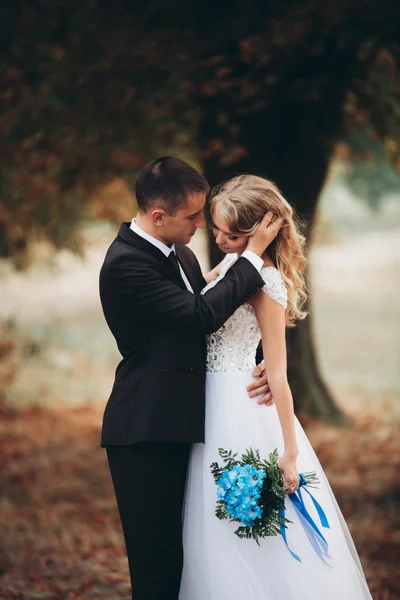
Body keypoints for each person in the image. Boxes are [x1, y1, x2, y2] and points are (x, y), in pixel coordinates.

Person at [180, 175, 373, 600]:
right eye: (216, 230)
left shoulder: (267, 283)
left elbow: (279, 374)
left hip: (240, 404)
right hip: (206, 403)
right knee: (210, 519)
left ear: (261, 232)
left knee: (248, 521)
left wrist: (289, 451)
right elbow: (197, 304)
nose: (220, 239)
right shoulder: (233, 264)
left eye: (233, 234)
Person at [99, 157, 281, 600]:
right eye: (193, 216)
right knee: (157, 564)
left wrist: (263, 362)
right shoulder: (125, 265)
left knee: (195, 556)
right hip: (146, 430)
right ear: (158, 216)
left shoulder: (179, 252)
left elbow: (220, 323)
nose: (203, 223)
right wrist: (253, 254)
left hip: (192, 425)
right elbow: (200, 316)